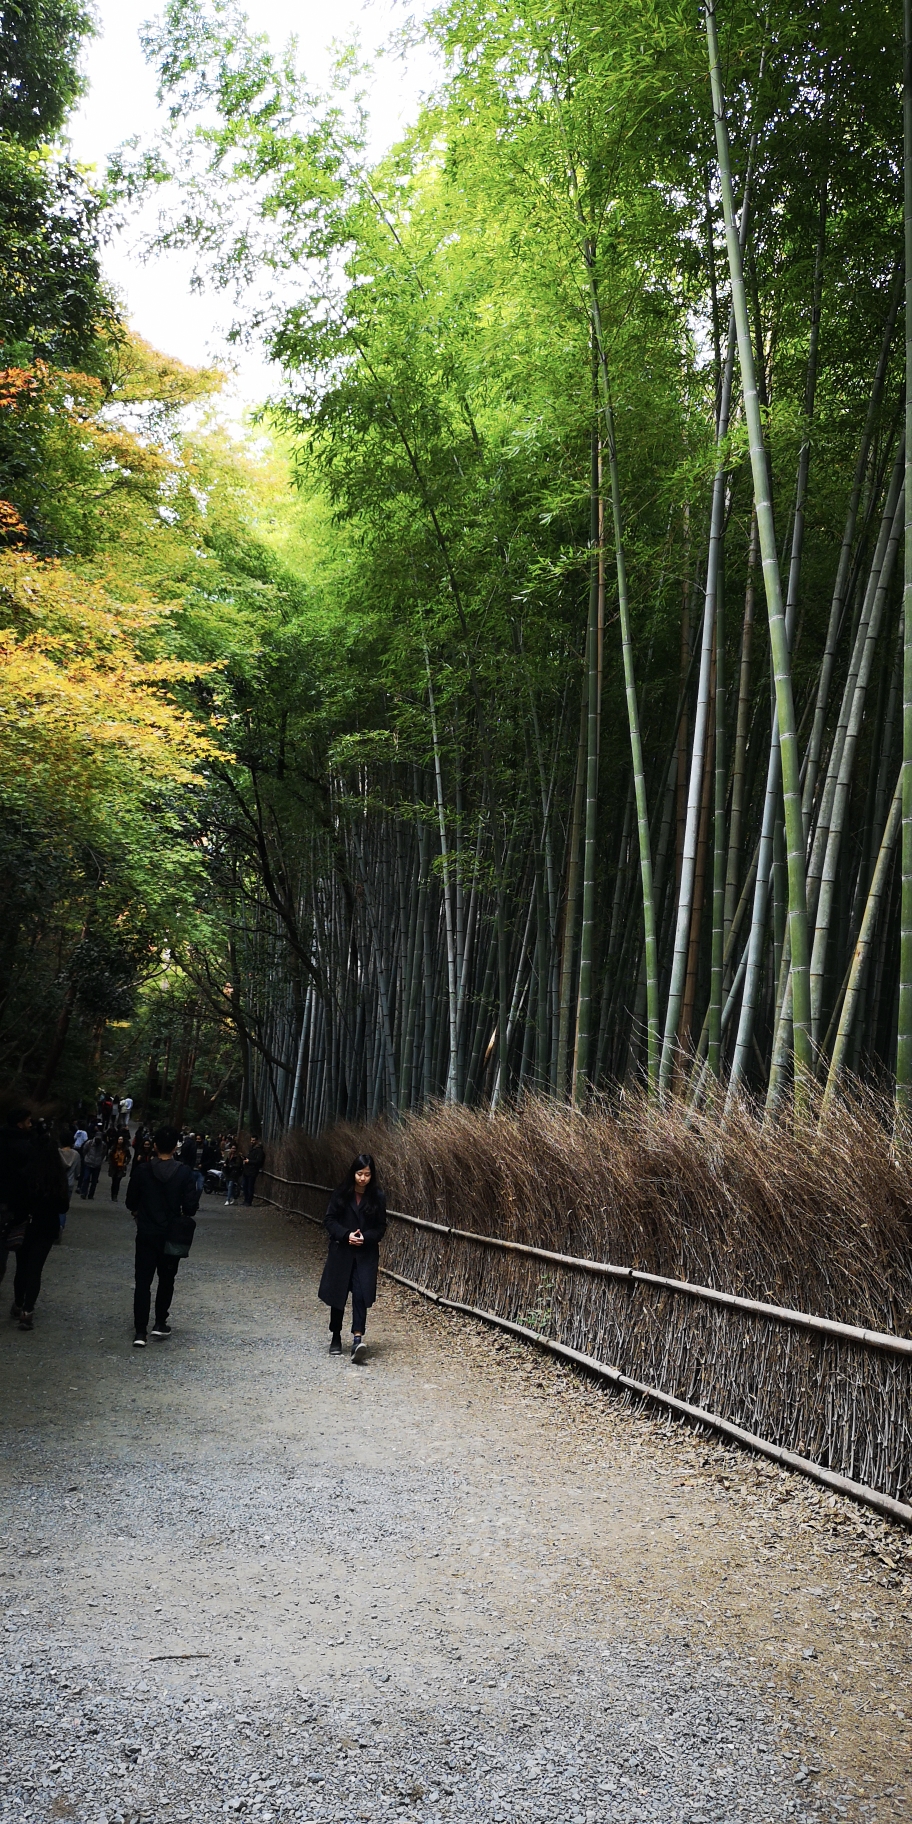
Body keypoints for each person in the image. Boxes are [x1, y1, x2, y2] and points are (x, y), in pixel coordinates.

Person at [125, 1124, 201, 1347]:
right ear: (176, 1146)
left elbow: (130, 1201)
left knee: (142, 1281)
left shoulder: (142, 1170)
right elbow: (189, 1207)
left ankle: (140, 1331)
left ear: (155, 1145)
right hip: (172, 1234)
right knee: (167, 1279)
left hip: (147, 1231)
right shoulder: (184, 1172)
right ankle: (160, 1322)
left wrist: (140, 1210)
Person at [318, 1153, 387, 1362]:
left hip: (365, 1254)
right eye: (359, 1174)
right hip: (342, 1252)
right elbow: (329, 1220)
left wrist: (365, 1237)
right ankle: (336, 1336)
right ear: (353, 1173)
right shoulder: (341, 1194)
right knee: (338, 1296)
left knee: (360, 1295)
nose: (363, 1178)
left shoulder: (377, 1196)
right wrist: (346, 1234)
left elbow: (381, 1227)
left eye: (367, 1174)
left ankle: (358, 1339)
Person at [12, 1129, 70, 1329]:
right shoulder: (57, 1177)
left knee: (21, 1266)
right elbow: (63, 1206)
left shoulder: (25, 1173)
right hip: (46, 1227)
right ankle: (28, 1310)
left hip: (25, 1224)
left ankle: (18, 1302)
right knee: (35, 1269)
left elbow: (17, 1201)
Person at [1, 1107, 33, 1292]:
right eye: (28, 1122)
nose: (31, 1125)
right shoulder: (24, 1147)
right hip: (10, 1202)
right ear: (20, 1124)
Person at [58, 1130, 80, 1237]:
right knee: (63, 1207)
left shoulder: (56, 1153)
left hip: (57, 1182)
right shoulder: (76, 1154)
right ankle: (61, 1226)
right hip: (69, 1183)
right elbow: (77, 1171)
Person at [79, 1126, 107, 1199]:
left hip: (97, 1165)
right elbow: (84, 1150)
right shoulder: (89, 1143)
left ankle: (91, 1195)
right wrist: (86, 1158)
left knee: (94, 1182)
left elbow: (104, 1153)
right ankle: (84, 1193)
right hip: (88, 1163)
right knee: (86, 1178)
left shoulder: (103, 1145)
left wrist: (100, 1160)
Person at [242, 1134, 265, 1206]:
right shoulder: (252, 1149)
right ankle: (245, 1200)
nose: (252, 1141)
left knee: (250, 1187)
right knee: (245, 1186)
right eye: (251, 1140)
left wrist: (249, 1162)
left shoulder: (259, 1151)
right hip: (247, 1170)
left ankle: (249, 1201)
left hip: (253, 1171)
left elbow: (259, 1161)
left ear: (257, 1141)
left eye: (253, 1140)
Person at [107, 1132, 130, 1202]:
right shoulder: (113, 1148)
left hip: (121, 1167)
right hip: (114, 1166)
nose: (120, 1141)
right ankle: (113, 1194)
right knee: (114, 1181)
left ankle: (115, 1195)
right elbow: (110, 1156)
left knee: (117, 1181)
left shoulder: (125, 1149)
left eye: (121, 1139)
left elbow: (129, 1157)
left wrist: (126, 1163)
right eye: (119, 1139)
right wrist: (110, 1162)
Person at [224, 1138, 243, 1206]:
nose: (233, 1150)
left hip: (234, 1172)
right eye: (232, 1148)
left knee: (230, 1185)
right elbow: (225, 1161)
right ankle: (234, 1198)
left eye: (234, 1148)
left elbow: (238, 1165)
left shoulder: (238, 1156)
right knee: (228, 1186)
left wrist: (230, 1165)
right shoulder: (228, 1155)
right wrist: (225, 1165)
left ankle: (228, 1199)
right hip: (228, 1172)